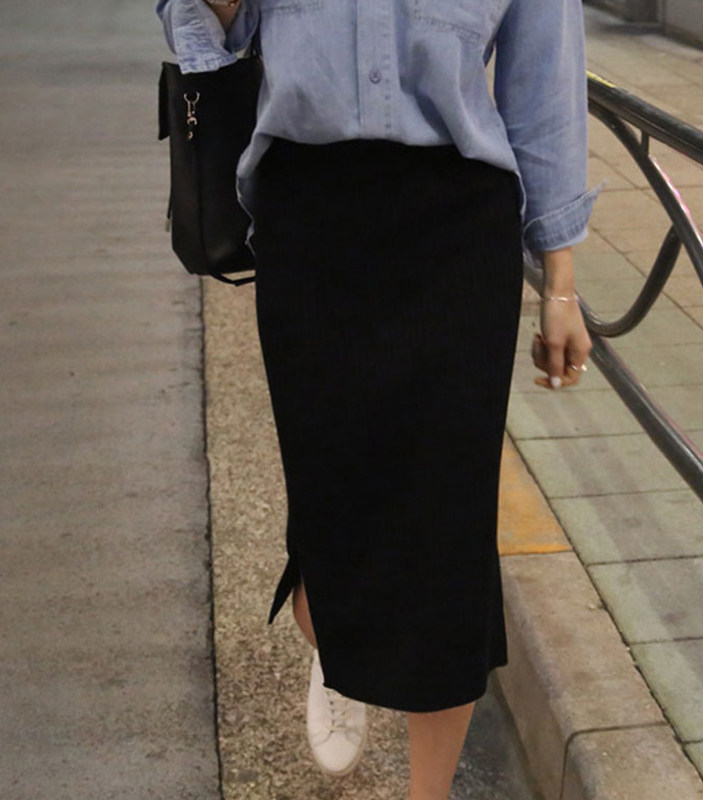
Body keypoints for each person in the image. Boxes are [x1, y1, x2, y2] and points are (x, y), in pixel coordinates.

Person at [156, 1, 595, 798]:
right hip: (310, 213)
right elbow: (214, 31)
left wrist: (559, 283)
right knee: (336, 492)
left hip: (459, 221)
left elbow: (546, 83)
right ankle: (335, 627)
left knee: (450, 531)